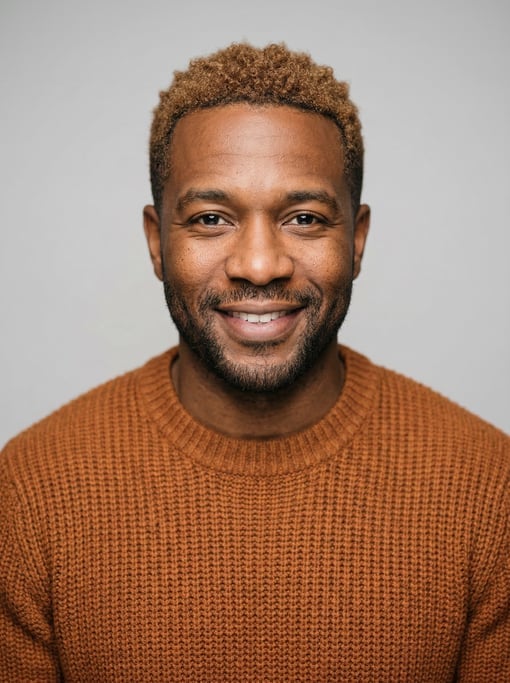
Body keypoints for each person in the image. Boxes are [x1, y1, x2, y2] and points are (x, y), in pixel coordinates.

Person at [0, 42, 508, 682]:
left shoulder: (491, 491)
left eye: (304, 218)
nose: (260, 264)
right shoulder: (27, 495)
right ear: (158, 242)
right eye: (212, 219)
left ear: (357, 239)